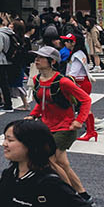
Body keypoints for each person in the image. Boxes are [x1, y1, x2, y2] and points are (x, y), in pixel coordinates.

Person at [26, 47, 90, 196]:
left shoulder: (63, 82)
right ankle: (81, 193)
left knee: (50, 159)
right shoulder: (37, 80)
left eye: (41, 57)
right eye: (36, 57)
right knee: (62, 162)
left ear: (52, 61)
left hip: (65, 127)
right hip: (46, 126)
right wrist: (33, 115)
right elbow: (42, 102)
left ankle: (68, 194)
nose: (37, 60)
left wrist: (79, 121)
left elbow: (86, 99)